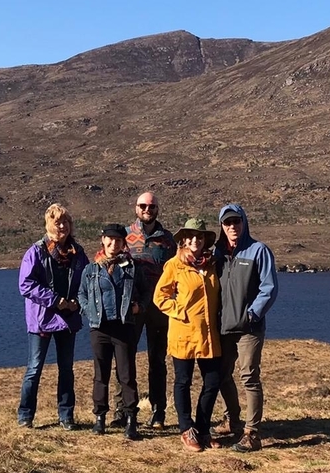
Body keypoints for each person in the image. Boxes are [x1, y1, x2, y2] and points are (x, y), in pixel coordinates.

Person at [213, 203, 279, 452]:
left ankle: (252, 433)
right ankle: (232, 420)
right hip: (223, 326)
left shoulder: (258, 251)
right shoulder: (217, 253)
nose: (232, 227)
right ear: (221, 226)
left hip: (249, 328)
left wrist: (252, 314)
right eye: (227, 223)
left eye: (236, 222)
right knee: (221, 374)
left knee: (249, 376)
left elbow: (269, 287)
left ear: (244, 222)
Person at [154, 218, 224, 452]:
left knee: (212, 382)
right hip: (183, 332)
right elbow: (160, 297)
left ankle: (203, 429)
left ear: (205, 241)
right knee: (182, 381)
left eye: (200, 236)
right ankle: (186, 429)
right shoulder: (174, 265)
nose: (196, 240)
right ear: (183, 240)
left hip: (208, 334)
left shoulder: (212, 264)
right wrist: (179, 310)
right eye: (191, 236)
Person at [17, 203, 88, 430]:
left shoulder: (79, 253)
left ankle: (66, 416)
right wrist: (54, 300)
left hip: (68, 320)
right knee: (34, 368)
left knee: (66, 369)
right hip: (42, 320)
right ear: (48, 224)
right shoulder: (36, 251)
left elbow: (85, 282)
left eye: (65, 222)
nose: (61, 226)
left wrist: (77, 301)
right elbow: (26, 285)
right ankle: (25, 415)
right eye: (57, 222)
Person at [77, 223, 149, 440]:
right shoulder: (91, 270)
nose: (113, 244)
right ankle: (99, 418)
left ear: (123, 243)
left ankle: (130, 420)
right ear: (103, 240)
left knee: (127, 376)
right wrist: (89, 310)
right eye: (110, 239)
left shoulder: (132, 268)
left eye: (118, 240)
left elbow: (147, 292)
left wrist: (140, 307)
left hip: (124, 327)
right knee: (101, 375)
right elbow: (81, 294)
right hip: (99, 328)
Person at [117, 191, 176, 429]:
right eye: (143, 205)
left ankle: (158, 411)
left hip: (160, 309)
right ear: (136, 208)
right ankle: (124, 410)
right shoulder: (124, 236)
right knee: (124, 359)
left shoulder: (168, 240)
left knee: (157, 361)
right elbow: (109, 261)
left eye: (152, 206)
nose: (147, 209)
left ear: (157, 209)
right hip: (132, 307)